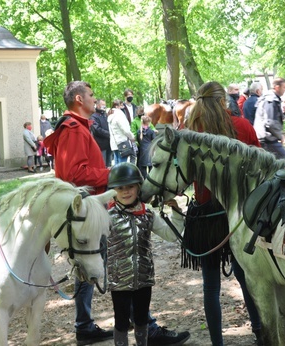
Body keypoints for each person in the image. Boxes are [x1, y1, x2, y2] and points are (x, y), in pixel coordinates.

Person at [44, 81, 190, 346]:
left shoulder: (76, 127)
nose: (94, 98)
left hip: (87, 208)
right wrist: (113, 174)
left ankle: (86, 325)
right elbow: (74, 176)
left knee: (92, 267)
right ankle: (145, 327)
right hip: (90, 210)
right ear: (79, 99)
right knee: (119, 264)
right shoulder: (74, 129)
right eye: (90, 95)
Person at [186, 81, 263, 346]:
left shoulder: (193, 133)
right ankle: (260, 332)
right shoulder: (242, 127)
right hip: (238, 217)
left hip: (205, 218)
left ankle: (217, 343)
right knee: (245, 277)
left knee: (210, 285)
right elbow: (261, 167)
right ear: (223, 101)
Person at [106, 163, 185, 346]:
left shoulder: (147, 213)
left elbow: (171, 235)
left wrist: (177, 213)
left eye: (130, 187)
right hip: (119, 281)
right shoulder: (107, 215)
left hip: (143, 277)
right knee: (121, 322)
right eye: (120, 188)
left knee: (142, 319)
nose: (126, 192)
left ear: (139, 187)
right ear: (113, 190)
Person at [253, 77, 285, 161]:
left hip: (265, 137)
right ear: (277, 87)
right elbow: (270, 122)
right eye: (284, 87)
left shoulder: (270, 98)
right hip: (267, 138)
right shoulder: (270, 100)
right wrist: (280, 135)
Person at [109, 99, 135, 165]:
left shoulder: (110, 115)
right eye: (121, 105)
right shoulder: (119, 114)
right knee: (122, 165)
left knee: (116, 164)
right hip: (122, 142)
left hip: (114, 143)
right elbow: (125, 129)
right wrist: (132, 137)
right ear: (117, 106)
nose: (123, 106)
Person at [90, 99, 112, 167]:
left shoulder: (105, 115)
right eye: (102, 105)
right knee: (102, 164)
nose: (104, 106)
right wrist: (108, 134)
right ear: (98, 105)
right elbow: (97, 129)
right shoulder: (93, 116)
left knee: (108, 165)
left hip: (109, 144)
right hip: (100, 144)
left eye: (105, 105)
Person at [136, 113, 155, 179]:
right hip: (149, 151)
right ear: (148, 123)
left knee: (142, 167)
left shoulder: (139, 131)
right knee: (151, 167)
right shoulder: (151, 131)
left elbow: (138, 140)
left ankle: (145, 178)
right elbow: (154, 140)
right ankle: (150, 179)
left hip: (142, 151)